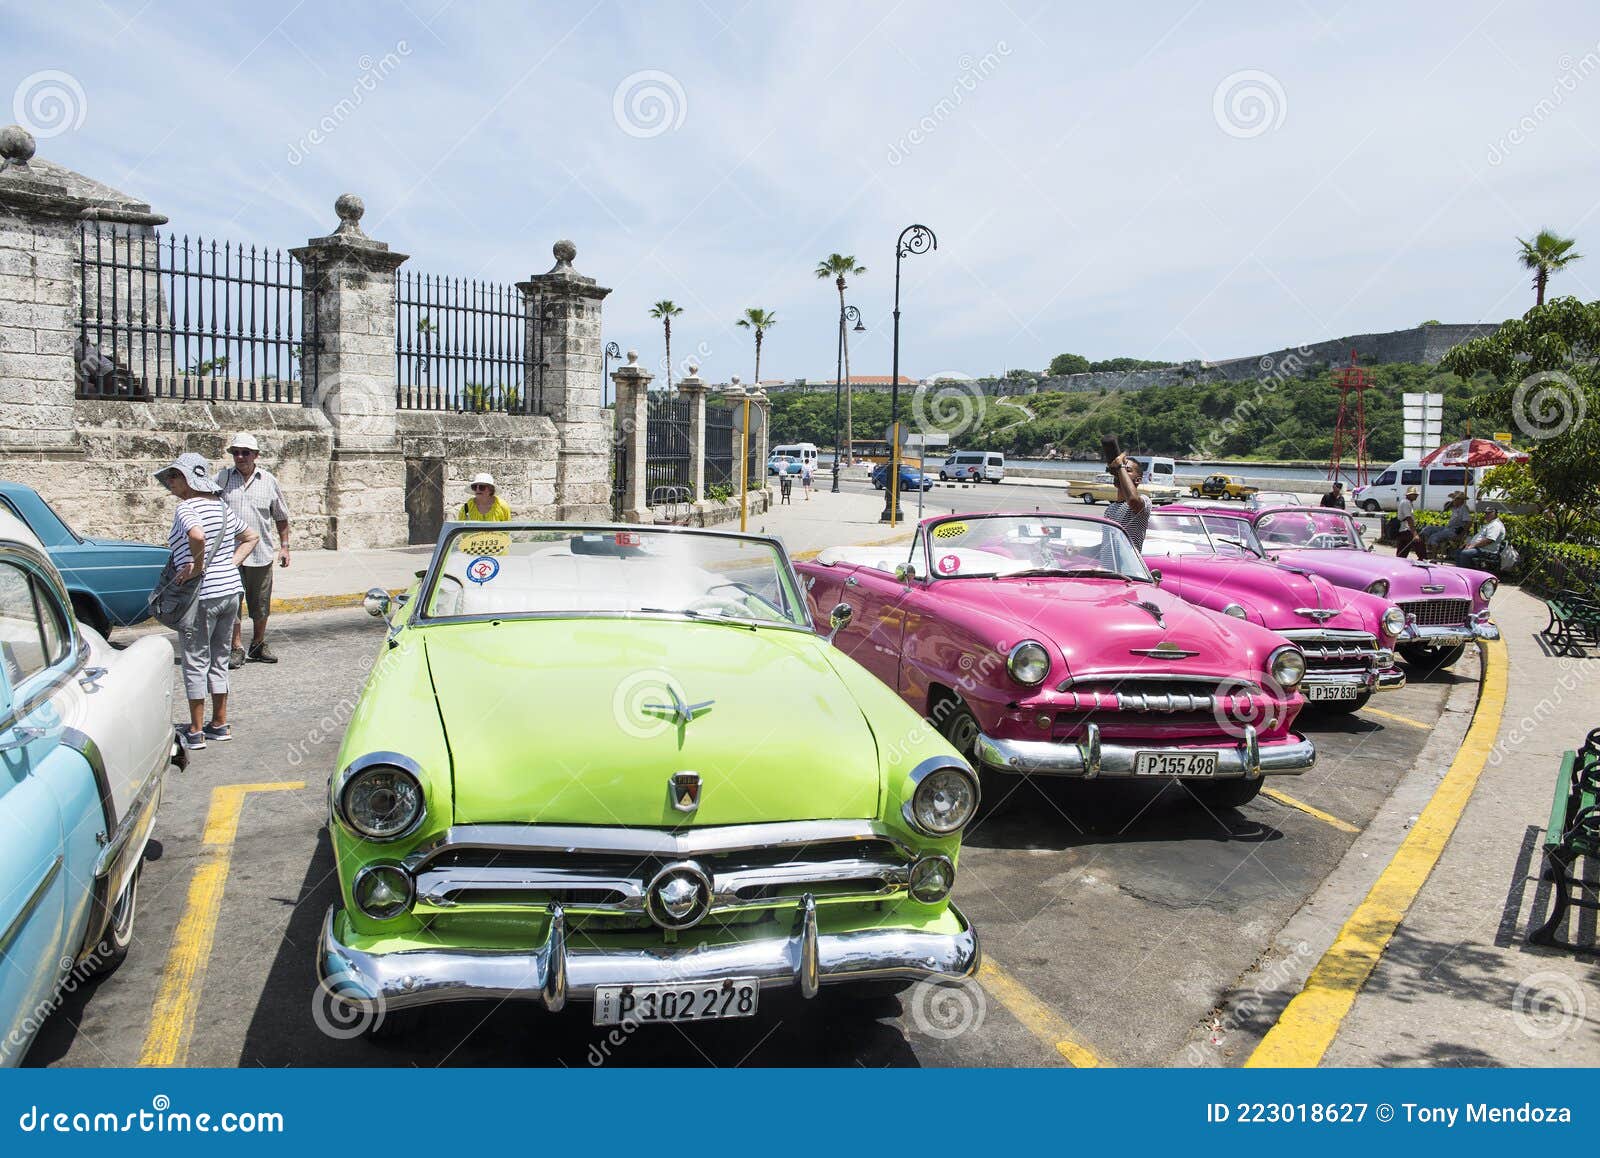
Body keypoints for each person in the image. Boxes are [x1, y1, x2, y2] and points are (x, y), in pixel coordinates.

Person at [156, 453, 259, 751]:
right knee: (219, 658)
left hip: (201, 595)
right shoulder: (222, 507)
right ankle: (220, 723)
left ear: (188, 480)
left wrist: (197, 568)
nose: (170, 483)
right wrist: (229, 564)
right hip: (229, 591)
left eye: (173, 476)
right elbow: (251, 536)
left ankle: (197, 730)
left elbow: (197, 536)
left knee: (195, 660)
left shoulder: (186, 508)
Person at [216, 432, 291, 669]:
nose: (240, 457)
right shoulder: (223, 479)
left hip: (261, 554)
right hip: (230, 555)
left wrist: (285, 547)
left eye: (245, 452)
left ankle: (257, 644)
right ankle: (235, 647)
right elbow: (207, 504)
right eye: (235, 452)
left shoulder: (268, 480)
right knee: (232, 603)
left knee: (260, 604)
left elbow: (281, 516)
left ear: (256, 455)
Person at [1104, 453, 1149, 550]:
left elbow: (1132, 500)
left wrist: (1120, 465)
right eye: (1119, 470)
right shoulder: (1109, 509)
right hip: (1109, 565)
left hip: (1128, 565)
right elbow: (1107, 546)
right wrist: (1078, 550)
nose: (1120, 472)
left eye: (1126, 470)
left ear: (1137, 480)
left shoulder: (1145, 501)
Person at [1456, 502, 1507, 571]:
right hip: (1480, 548)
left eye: (1489, 513)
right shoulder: (1490, 524)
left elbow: (1489, 540)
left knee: (1465, 553)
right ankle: (1459, 571)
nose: (1486, 515)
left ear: (1495, 514)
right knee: (1459, 551)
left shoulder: (1496, 525)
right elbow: (1480, 537)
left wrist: (1473, 545)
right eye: (1486, 513)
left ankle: (1466, 573)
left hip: (1487, 551)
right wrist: (1469, 544)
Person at [1394, 486, 1427, 559]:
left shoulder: (1408, 502)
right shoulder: (1406, 503)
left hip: (1404, 530)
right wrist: (1415, 534)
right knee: (1419, 545)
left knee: (1402, 552)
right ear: (1408, 495)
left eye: (1416, 495)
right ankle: (1423, 560)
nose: (1416, 496)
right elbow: (1409, 518)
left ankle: (1399, 562)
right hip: (1406, 530)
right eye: (1414, 494)